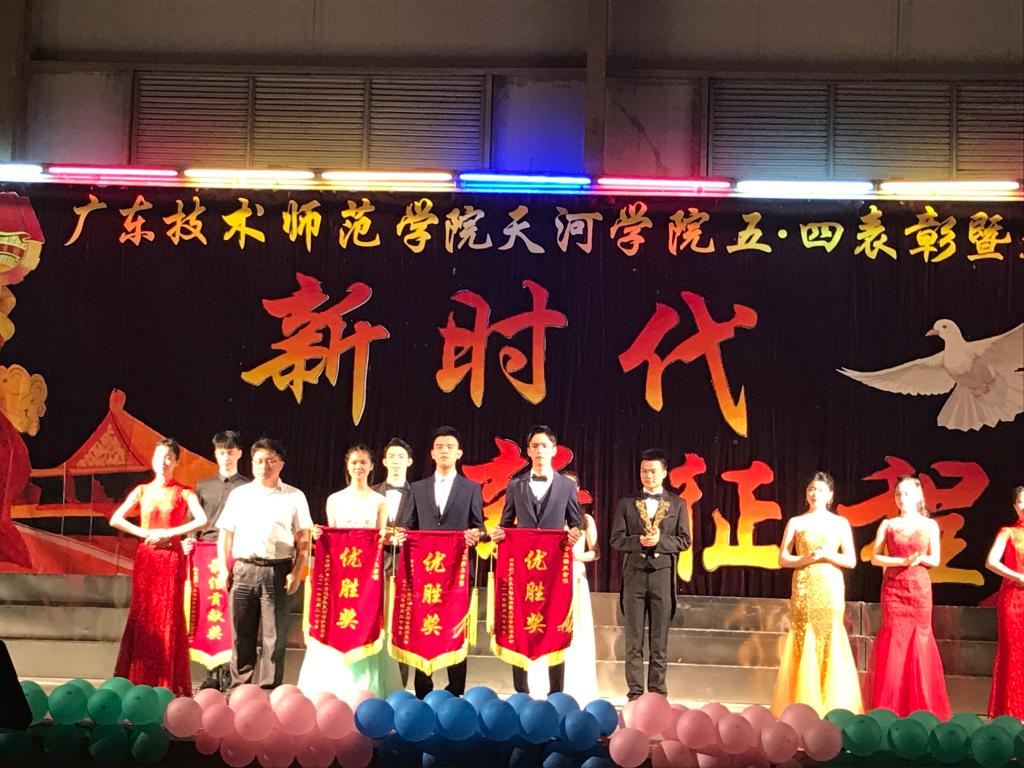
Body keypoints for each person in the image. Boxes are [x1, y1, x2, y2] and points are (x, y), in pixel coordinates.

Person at [297, 445, 403, 699]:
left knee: (366, 622)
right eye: (354, 462)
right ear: (347, 465)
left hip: (368, 578)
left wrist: (391, 537)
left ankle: (367, 688)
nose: (359, 466)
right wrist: (320, 535)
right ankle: (333, 688)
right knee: (337, 621)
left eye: (363, 462)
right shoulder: (335, 500)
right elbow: (334, 538)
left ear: (372, 466)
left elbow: (380, 539)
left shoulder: (380, 501)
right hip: (340, 576)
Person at [110, 439, 207, 695]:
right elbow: (116, 519)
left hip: (171, 558)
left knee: (168, 615)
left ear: (176, 462)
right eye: (159, 457)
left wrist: (170, 533)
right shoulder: (142, 490)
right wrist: (144, 532)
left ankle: (167, 683)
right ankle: (137, 680)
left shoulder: (184, 492)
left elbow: (202, 519)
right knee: (143, 616)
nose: (163, 462)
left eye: (168, 458)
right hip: (147, 557)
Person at [492, 425, 582, 694]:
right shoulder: (515, 485)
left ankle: (556, 692)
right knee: (519, 619)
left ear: (554, 450)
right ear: (528, 451)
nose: (540, 450)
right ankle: (521, 692)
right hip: (523, 566)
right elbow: (506, 522)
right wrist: (499, 532)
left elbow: (575, 522)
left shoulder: (567, 486)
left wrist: (575, 532)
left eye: (545, 446)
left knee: (555, 620)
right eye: (535, 446)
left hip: (553, 567)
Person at [216, 438, 312, 690]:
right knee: (241, 634)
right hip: (243, 569)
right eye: (259, 461)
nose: (264, 466)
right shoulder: (239, 495)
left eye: (270, 461)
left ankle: (269, 691)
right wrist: (223, 568)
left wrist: (297, 571)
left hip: (277, 570)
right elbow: (225, 535)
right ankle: (239, 689)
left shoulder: (294, 496)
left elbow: (304, 538)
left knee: (275, 637)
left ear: (281, 464)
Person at [396, 426, 483, 698]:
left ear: (459, 453)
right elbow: (408, 525)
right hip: (425, 574)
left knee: (456, 629)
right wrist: (401, 534)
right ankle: (423, 689)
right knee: (424, 626)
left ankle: (456, 690)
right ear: (432, 454)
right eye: (440, 447)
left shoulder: (471, 488)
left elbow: (479, 526)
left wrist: (475, 535)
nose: (445, 451)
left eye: (450, 447)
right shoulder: (418, 488)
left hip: (457, 572)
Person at [771, 472, 863, 716]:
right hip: (804, 585)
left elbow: (850, 560)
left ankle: (831, 703)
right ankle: (802, 704)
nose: (814, 493)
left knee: (830, 634)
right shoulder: (796, 522)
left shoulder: (840, 523)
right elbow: (783, 558)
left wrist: (827, 555)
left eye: (820, 490)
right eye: (811, 489)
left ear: (830, 495)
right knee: (804, 634)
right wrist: (806, 558)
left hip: (830, 585)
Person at [867, 475, 951, 719]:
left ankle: (921, 709)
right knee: (894, 642)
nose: (902, 498)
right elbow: (875, 558)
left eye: (906, 493)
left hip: (919, 589)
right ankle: (890, 710)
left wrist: (919, 559)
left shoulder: (929, 525)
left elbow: (935, 559)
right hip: (894, 589)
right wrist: (901, 561)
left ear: (918, 495)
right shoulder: (888, 524)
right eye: (898, 494)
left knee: (919, 642)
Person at [610, 449, 691, 701]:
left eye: (653, 471)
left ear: (664, 473)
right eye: (644, 471)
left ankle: (657, 694)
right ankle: (635, 694)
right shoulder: (627, 503)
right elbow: (616, 539)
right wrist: (639, 541)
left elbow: (684, 540)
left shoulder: (677, 504)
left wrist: (660, 541)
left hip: (662, 576)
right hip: (634, 576)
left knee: (659, 640)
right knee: (633, 639)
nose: (648, 475)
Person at [527, 470, 600, 703]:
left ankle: (577, 684)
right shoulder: (548, 515)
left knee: (575, 629)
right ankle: (544, 684)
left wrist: (577, 557)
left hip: (575, 575)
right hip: (550, 577)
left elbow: (596, 552)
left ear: (577, 490)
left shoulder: (585, 519)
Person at [191, 430, 248, 691]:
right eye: (221, 452)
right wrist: (189, 540)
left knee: (233, 612)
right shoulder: (203, 486)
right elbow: (194, 521)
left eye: (230, 452)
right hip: (206, 554)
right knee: (210, 612)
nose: (226, 457)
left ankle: (231, 671)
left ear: (239, 453)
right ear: (215, 454)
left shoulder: (247, 487)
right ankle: (212, 672)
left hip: (236, 552)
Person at [373, 437, 416, 688]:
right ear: (384, 461)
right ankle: (374, 680)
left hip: (407, 566)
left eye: (401, 457)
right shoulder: (371, 493)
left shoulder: (419, 493)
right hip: (375, 566)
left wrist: (407, 536)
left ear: (409, 462)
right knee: (374, 620)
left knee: (403, 623)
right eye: (392, 457)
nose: (396, 461)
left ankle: (400, 684)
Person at [986, 485, 1024, 718]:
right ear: (1015, 506)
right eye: (1021, 502)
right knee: (1013, 653)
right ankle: (1012, 712)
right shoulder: (1008, 532)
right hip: (1014, 599)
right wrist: (1017, 576)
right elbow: (991, 561)